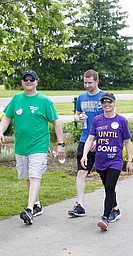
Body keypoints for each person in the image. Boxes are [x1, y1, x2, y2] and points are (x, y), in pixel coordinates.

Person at [0, 69, 65, 225]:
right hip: (21, 146)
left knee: (35, 176)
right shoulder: (16, 99)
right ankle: (36, 205)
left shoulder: (44, 101)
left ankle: (29, 209)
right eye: (25, 80)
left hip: (39, 146)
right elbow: (7, 117)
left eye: (31, 80)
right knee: (28, 177)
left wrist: (61, 144)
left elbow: (56, 122)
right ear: (22, 82)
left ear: (36, 82)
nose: (28, 82)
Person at [80, 92, 133, 231]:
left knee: (109, 187)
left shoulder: (121, 121)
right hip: (101, 160)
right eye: (104, 102)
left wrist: (130, 160)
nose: (106, 104)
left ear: (114, 103)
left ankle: (105, 217)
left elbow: (127, 142)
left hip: (115, 160)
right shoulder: (97, 120)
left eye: (109, 102)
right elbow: (90, 138)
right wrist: (85, 154)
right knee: (108, 187)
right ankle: (115, 209)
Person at [67, 69, 105, 217]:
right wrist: (78, 117)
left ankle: (113, 206)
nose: (87, 85)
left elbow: (109, 118)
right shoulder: (81, 98)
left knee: (105, 175)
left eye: (90, 82)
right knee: (81, 172)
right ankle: (80, 205)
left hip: (102, 141)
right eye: (85, 82)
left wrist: (99, 139)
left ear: (97, 81)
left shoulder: (104, 97)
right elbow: (77, 114)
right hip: (85, 140)